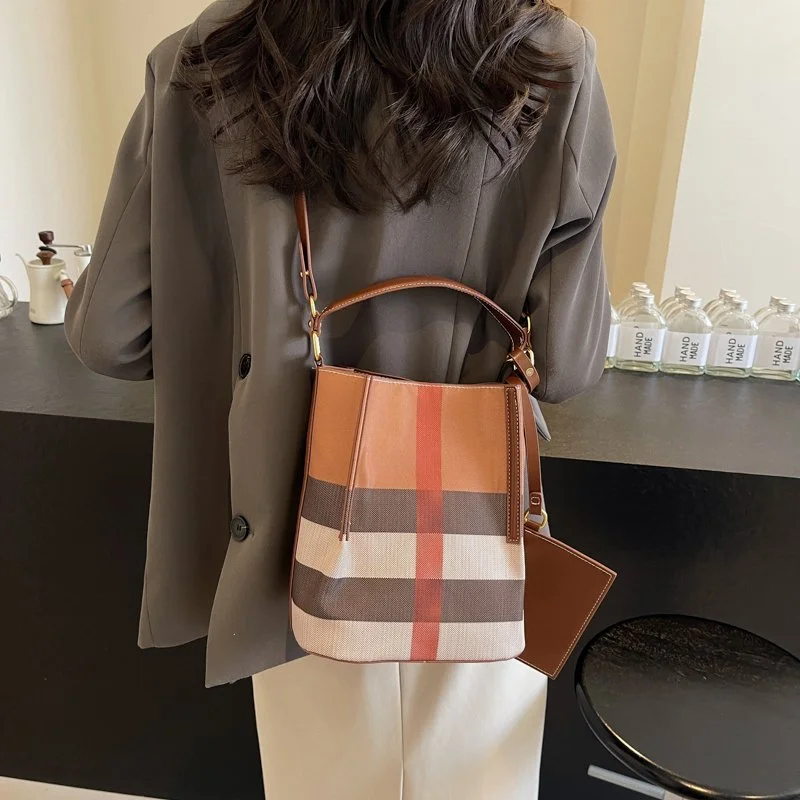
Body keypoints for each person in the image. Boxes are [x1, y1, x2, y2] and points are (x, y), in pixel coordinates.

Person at [65, 0, 615, 797]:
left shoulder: (208, 53)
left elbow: (108, 335)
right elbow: (566, 364)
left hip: (288, 541)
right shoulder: (550, 60)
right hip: (467, 534)